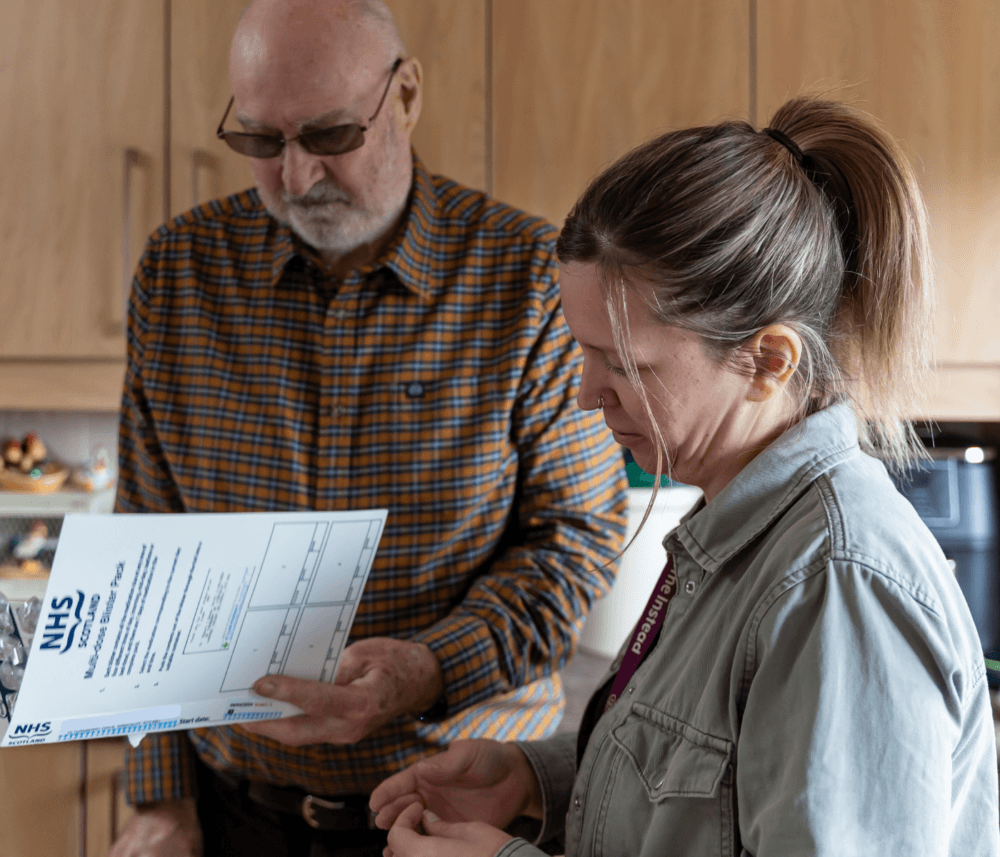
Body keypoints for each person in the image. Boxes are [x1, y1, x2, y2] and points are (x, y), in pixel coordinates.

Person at [370, 97, 1000, 856]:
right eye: (584, 349)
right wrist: (538, 779)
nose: (585, 392)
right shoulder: (743, 530)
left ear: (767, 360)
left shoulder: (838, 582)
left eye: (624, 363)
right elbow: (724, 780)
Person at [107, 1, 628, 855]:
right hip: (233, 806)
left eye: (331, 136)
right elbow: (146, 552)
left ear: (408, 93)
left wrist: (426, 669)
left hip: (448, 808)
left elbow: (573, 542)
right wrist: (162, 799)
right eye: (263, 144)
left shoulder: (528, 279)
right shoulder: (177, 274)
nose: (299, 176)